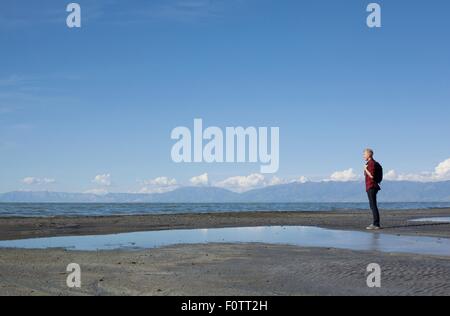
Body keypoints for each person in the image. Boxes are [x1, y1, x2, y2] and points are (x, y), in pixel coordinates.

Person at [364, 148, 381, 230]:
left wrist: (365, 169)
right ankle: (376, 223)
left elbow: (371, 175)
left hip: (371, 186)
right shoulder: (371, 163)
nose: (363, 156)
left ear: (369, 154)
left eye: (364, 154)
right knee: (372, 205)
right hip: (372, 186)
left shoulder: (371, 163)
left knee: (373, 205)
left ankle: (376, 224)